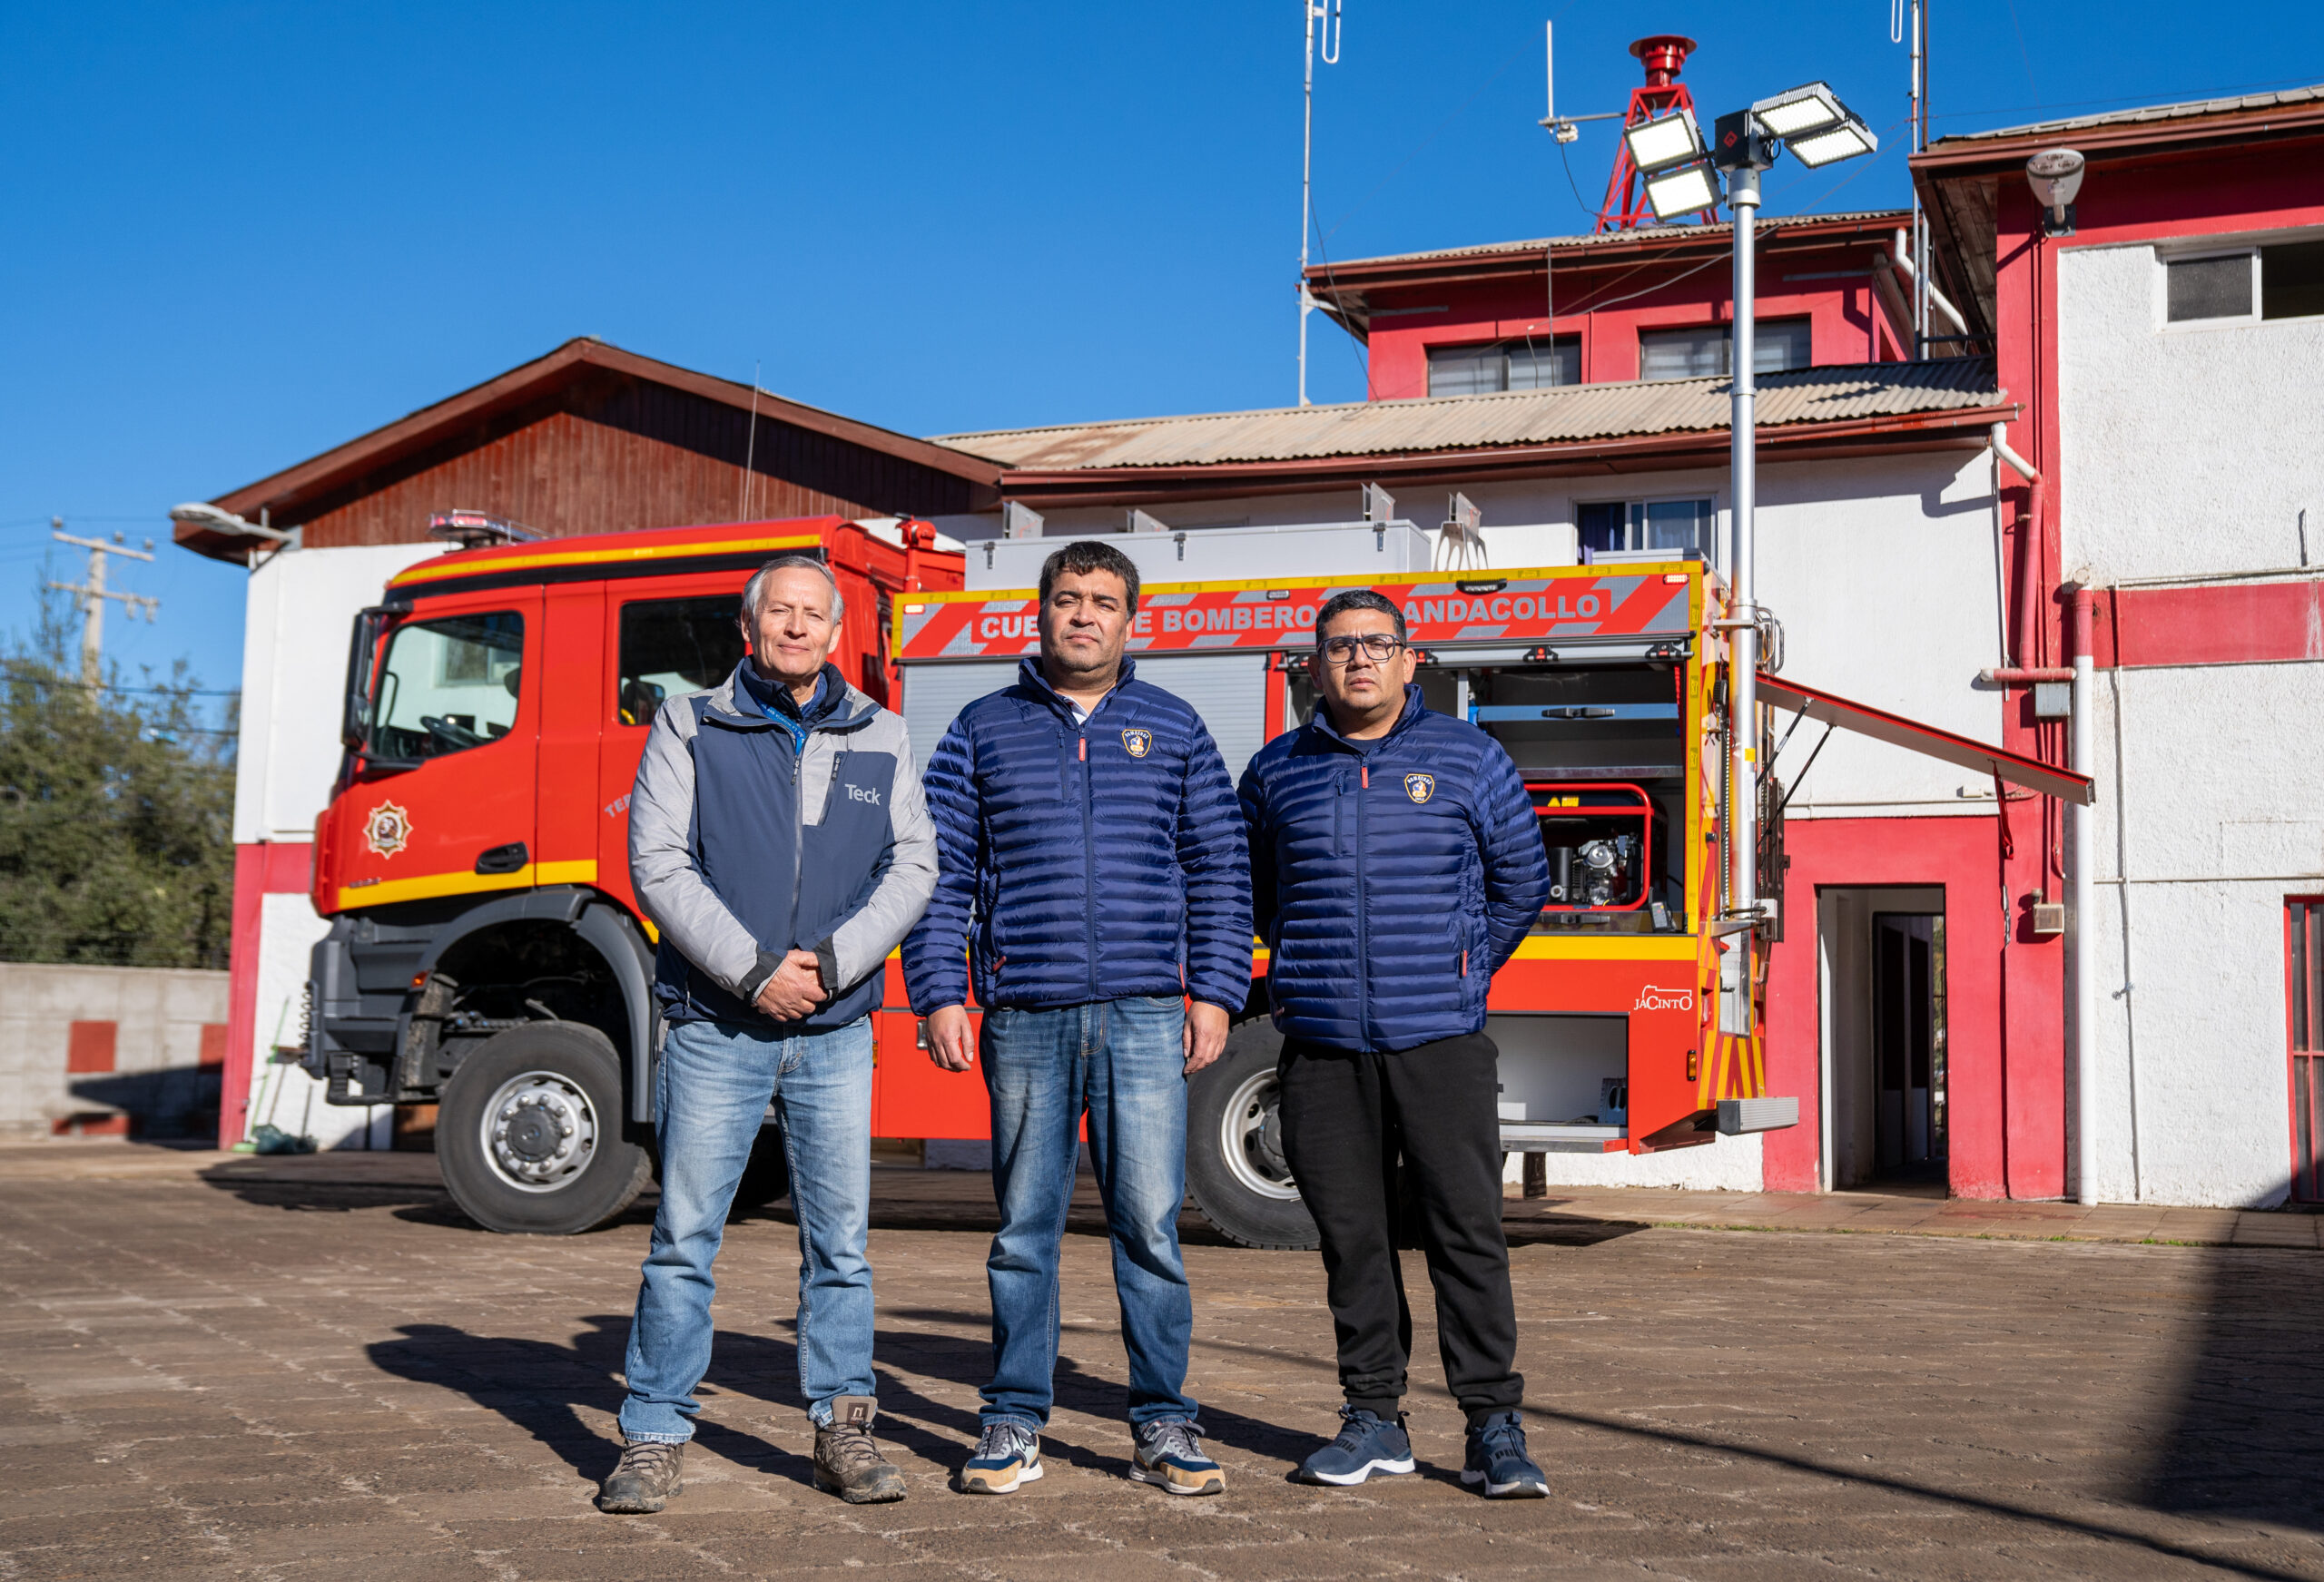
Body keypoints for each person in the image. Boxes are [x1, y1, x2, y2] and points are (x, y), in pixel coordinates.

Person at [903, 540, 1251, 1498]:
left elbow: (1220, 868)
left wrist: (1216, 991)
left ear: (1131, 621)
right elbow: (939, 875)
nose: (1084, 615)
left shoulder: (1174, 728)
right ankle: (1013, 1420)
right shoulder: (980, 730)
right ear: (1039, 614)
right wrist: (940, 991)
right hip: (1025, 1015)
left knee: (1149, 1227)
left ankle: (1162, 1422)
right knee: (1024, 1229)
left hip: (1144, 1015)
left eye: (1103, 601)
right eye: (1067, 600)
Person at [602, 555, 938, 1514]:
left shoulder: (881, 730)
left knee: (840, 1247)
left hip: (834, 1030)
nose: (796, 628)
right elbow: (658, 864)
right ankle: (656, 1433)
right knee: (683, 1240)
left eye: (813, 615)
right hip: (716, 1026)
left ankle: (843, 1431)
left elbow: (913, 864)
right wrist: (754, 970)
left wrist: (827, 969)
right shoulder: (689, 722)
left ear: (837, 634)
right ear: (748, 628)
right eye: (779, 612)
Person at [1236, 588, 1554, 1498]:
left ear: (1411, 660)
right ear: (1314, 665)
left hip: (1440, 1040)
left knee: (1466, 1233)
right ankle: (1373, 1419)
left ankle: (1494, 1426)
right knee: (1353, 1239)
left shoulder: (1468, 759)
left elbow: (1519, 882)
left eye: (1377, 644)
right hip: (1323, 1045)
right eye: (1339, 647)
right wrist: (1301, 961)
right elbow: (1254, 889)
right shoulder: (1277, 772)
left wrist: (1461, 969)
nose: (1359, 660)